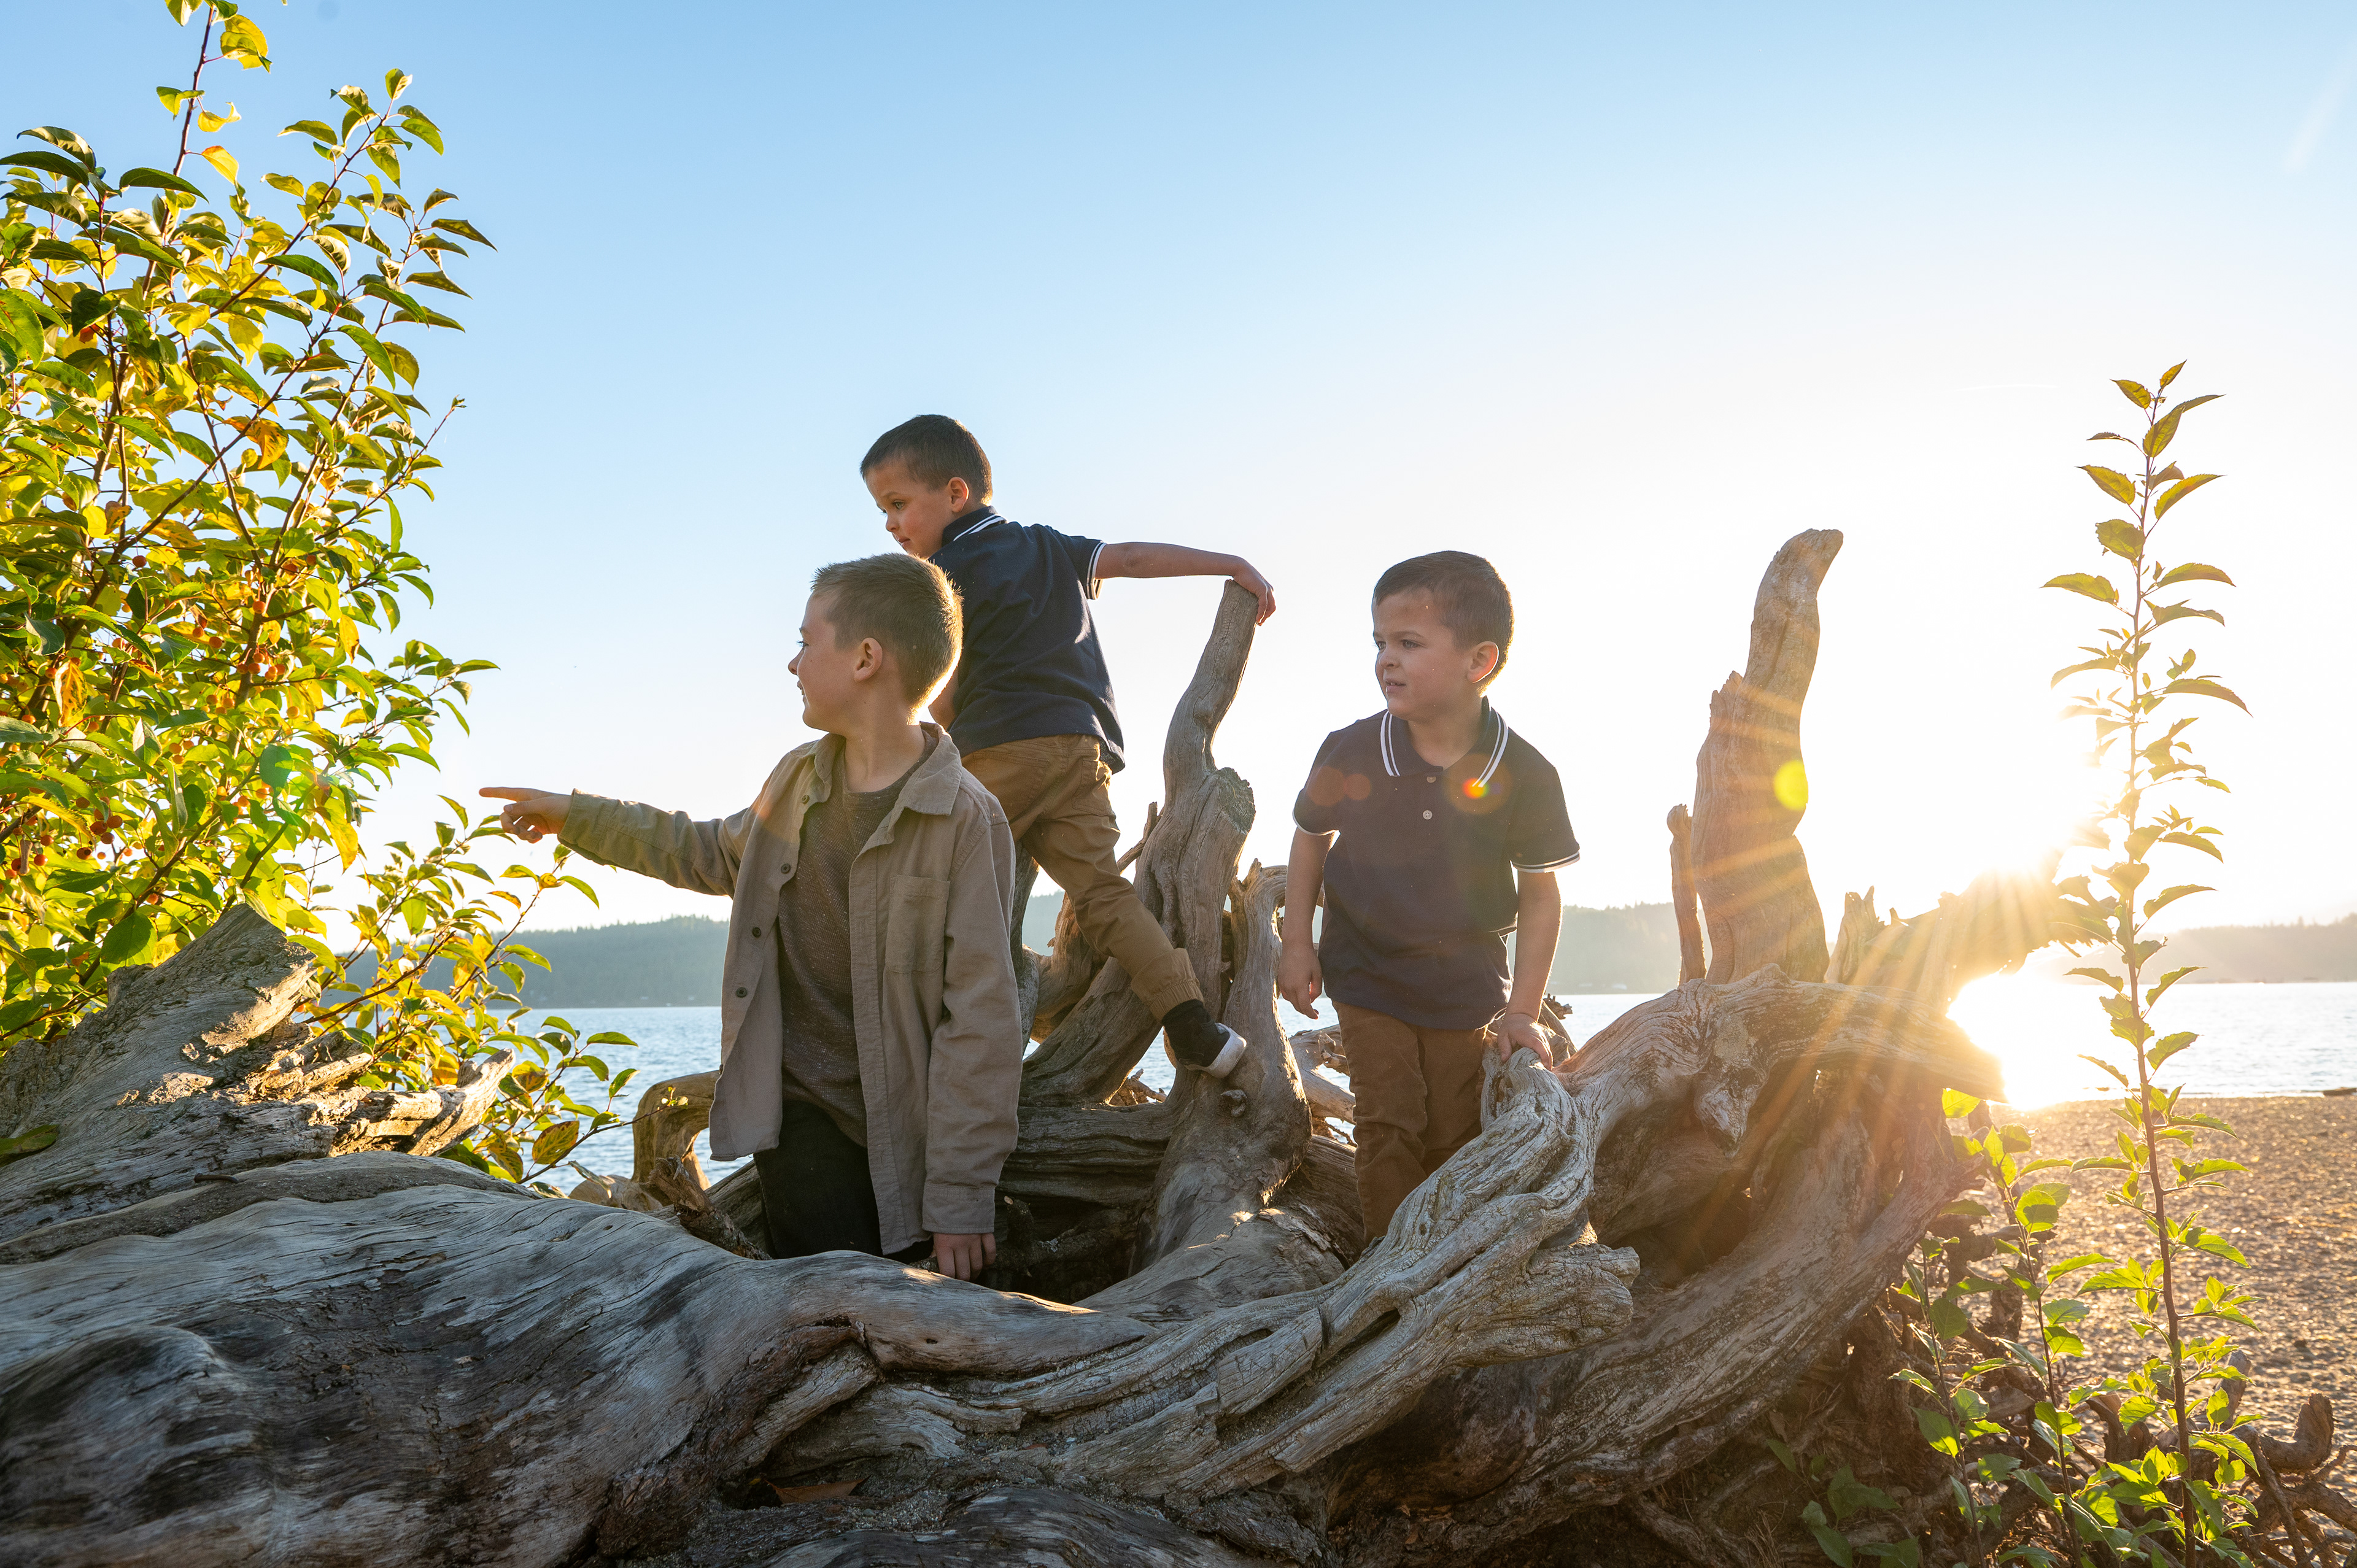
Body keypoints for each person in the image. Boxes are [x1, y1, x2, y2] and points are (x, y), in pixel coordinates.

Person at [480, 554, 1021, 1282]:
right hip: (799, 1121)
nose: (792, 663)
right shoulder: (797, 778)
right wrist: (577, 816)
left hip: (914, 1140)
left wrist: (962, 1195)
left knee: (934, 1328)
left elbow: (982, 1019)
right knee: (832, 1308)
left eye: (805, 641)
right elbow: (704, 849)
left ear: (866, 658)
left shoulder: (966, 818)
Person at [861, 414, 1277, 1079]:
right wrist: (1228, 563)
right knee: (1105, 897)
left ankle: (922, 1052)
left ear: (957, 493)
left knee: (923, 882)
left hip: (998, 753)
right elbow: (1134, 559)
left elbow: (944, 688)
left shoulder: (939, 577)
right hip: (1082, 750)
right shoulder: (1050, 547)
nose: (890, 524)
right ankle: (1195, 1025)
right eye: (884, 510)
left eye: (898, 505)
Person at [1277, 550, 1579, 1242]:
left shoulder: (1526, 772)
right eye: (1380, 642)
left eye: (1409, 643)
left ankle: (1444, 1264)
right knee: (1389, 1122)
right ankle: (1390, 1275)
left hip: (1466, 983)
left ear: (1479, 661)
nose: (1387, 658)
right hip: (1366, 968)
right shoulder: (1351, 748)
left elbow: (1540, 894)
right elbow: (1308, 838)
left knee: (1452, 1134)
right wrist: (1297, 942)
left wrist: (1523, 1011)